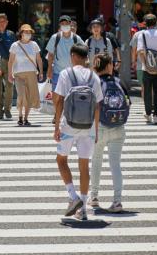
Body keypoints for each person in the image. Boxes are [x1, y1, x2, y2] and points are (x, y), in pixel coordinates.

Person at [52, 44, 103, 221]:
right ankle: (83, 208)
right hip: (88, 127)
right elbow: (97, 105)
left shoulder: (66, 74)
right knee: (84, 165)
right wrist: (96, 130)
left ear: (73, 56)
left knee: (61, 159)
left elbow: (58, 101)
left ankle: (72, 197)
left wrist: (56, 126)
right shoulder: (93, 76)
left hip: (69, 125)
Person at [89, 52, 128, 213]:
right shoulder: (119, 82)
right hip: (118, 127)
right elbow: (128, 103)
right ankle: (117, 200)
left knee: (96, 162)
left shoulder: (94, 82)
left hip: (100, 127)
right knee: (115, 165)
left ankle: (95, 197)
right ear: (110, 66)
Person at [8, 23, 43, 127]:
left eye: (29, 32)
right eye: (25, 32)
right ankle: (19, 115)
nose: (28, 34)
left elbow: (39, 59)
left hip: (32, 73)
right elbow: (10, 61)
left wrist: (41, 72)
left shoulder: (34, 45)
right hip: (18, 73)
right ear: (21, 33)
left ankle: (26, 118)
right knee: (21, 95)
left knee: (29, 96)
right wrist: (10, 74)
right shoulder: (15, 45)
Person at [46, 15, 84, 92]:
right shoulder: (55, 37)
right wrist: (49, 69)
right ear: (60, 25)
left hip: (73, 74)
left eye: (66, 23)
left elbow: (84, 54)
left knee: (71, 98)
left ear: (70, 24)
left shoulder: (76, 38)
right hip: (57, 73)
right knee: (57, 99)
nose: (64, 25)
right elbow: (50, 55)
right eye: (62, 24)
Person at [0, 13, 15, 120]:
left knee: (10, 87)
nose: (1, 24)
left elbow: (14, 50)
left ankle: (7, 109)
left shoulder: (11, 34)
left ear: (7, 23)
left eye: (3, 21)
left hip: (8, 61)